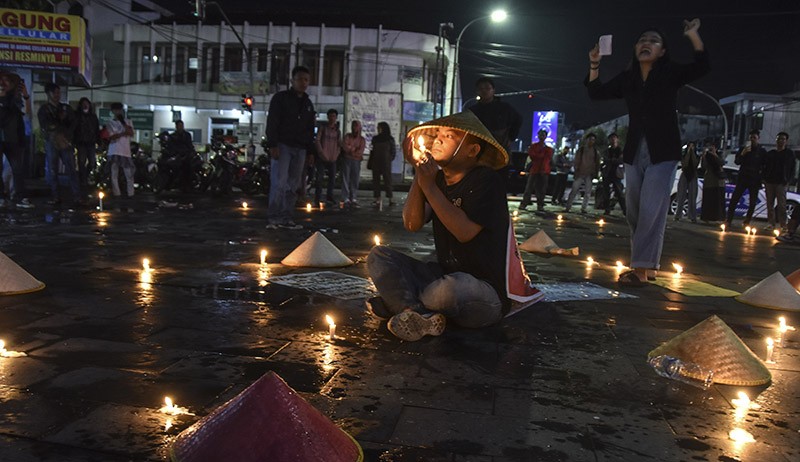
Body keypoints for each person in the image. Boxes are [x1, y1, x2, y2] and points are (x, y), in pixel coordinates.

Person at [366, 111, 542, 342]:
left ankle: (401, 303)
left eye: (448, 136)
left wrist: (429, 186)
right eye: (437, 134)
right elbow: (412, 223)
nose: (437, 139)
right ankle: (413, 314)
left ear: (472, 151)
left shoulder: (486, 181)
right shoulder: (437, 180)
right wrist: (421, 177)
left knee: (448, 290)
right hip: (443, 274)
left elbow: (465, 232)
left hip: (481, 291)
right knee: (379, 256)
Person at [586, 19, 709, 286]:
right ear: (635, 48)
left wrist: (693, 35)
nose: (646, 44)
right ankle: (649, 265)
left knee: (651, 209)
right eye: (642, 40)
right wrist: (595, 63)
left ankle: (640, 269)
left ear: (662, 51)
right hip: (634, 150)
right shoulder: (629, 78)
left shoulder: (670, 73)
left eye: (653, 41)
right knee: (635, 212)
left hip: (663, 150)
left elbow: (702, 66)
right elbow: (596, 92)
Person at [265, 65, 316, 230]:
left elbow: (310, 128)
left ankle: (287, 217)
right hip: (283, 145)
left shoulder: (307, 104)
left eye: (306, 80)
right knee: (279, 182)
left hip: (300, 148)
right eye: (300, 79)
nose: (303, 83)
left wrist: (310, 151)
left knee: (293, 185)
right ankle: (274, 217)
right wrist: (272, 144)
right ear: (292, 80)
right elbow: (272, 121)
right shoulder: (281, 99)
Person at [468, 77, 522, 191]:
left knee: (499, 186)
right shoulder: (472, 111)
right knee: (478, 187)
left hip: (500, 153)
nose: (484, 91)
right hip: (479, 155)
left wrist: (511, 137)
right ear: (477, 91)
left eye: (487, 88)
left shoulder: (505, 108)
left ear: (493, 90)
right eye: (481, 88)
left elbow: (518, 120)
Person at [38, 82, 81, 206]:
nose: (57, 95)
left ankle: (77, 196)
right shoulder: (44, 109)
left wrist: (67, 135)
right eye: (55, 92)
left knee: (71, 168)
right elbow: (45, 125)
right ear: (48, 94)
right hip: (52, 141)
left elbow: (73, 123)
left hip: (66, 141)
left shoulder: (65, 108)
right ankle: (55, 196)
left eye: (59, 92)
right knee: (53, 169)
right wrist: (58, 123)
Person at [0, 71, 34, 209]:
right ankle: (2, 197)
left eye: (6, 81)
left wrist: (26, 95)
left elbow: (26, 112)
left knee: (17, 169)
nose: (3, 84)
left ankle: (20, 197)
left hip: (13, 139)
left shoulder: (14, 100)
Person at [725, 130, 766, 228]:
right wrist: (743, 153)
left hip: (754, 179)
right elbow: (737, 162)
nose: (752, 140)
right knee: (734, 199)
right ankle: (729, 220)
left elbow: (765, 165)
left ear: (758, 138)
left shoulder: (762, 151)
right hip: (743, 178)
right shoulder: (744, 149)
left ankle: (747, 221)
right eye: (751, 138)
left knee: (752, 202)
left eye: (754, 138)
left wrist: (762, 177)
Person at [761, 131, 795, 232]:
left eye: (783, 139)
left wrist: (789, 180)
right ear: (776, 140)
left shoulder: (789, 154)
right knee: (769, 204)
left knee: (782, 204)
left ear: (786, 141)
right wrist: (764, 178)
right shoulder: (771, 153)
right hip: (770, 181)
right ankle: (771, 223)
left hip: (782, 182)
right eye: (779, 139)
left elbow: (792, 168)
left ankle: (783, 224)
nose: (781, 141)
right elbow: (764, 166)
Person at [105, 102, 135, 200]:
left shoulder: (128, 121)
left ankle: (131, 194)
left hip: (125, 151)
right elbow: (111, 137)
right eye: (116, 110)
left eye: (120, 110)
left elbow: (131, 133)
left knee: (129, 173)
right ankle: (117, 194)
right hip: (114, 150)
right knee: (114, 173)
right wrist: (123, 133)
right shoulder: (110, 123)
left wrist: (124, 124)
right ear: (112, 111)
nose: (118, 112)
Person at [564, 133, 600, 214]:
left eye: (593, 140)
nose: (591, 141)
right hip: (580, 173)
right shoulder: (581, 150)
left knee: (587, 193)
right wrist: (576, 171)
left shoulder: (595, 151)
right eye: (590, 139)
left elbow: (597, 163)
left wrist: (595, 173)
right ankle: (568, 207)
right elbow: (576, 161)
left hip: (589, 174)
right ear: (586, 140)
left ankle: (583, 208)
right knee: (574, 190)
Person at [518, 128, 553, 211]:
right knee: (529, 188)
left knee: (541, 189)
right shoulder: (534, 147)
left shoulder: (548, 149)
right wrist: (541, 155)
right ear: (538, 136)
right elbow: (533, 156)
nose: (542, 136)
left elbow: (546, 159)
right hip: (535, 170)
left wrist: (539, 155)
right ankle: (524, 203)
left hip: (543, 170)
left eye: (543, 135)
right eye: (540, 135)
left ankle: (540, 205)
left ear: (546, 137)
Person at [313, 108, 341, 207]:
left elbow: (339, 144)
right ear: (328, 117)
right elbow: (317, 141)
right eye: (330, 116)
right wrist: (321, 153)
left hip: (332, 158)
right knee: (319, 178)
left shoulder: (337, 131)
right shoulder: (323, 128)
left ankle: (330, 196)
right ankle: (318, 197)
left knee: (332, 178)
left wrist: (336, 155)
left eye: (334, 116)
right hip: (322, 157)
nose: (332, 118)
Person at [73, 97, 99, 198]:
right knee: (81, 162)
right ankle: (83, 180)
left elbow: (96, 129)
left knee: (92, 162)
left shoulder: (92, 117)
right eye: (83, 103)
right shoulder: (77, 116)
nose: (85, 105)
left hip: (91, 142)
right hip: (81, 142)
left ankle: (85, 177)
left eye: (87, 103)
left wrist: (98, 140)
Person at [368, 121, 396, 206]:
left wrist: (389, 159)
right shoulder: (375, 138)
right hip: (377, 161)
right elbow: (372, 150)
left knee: (387, 180)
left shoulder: (389, 139)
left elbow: (393, 151)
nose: (378, 129)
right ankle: (377, 198)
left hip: (385, 162)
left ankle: (390, 198)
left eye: (379, 128)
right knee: (376, 180)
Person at [699, 139, 726, 222]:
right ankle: (707, 217)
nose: (710, 149)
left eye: (712, 147)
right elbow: (704, 166)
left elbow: (721, 163)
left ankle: (718, 217)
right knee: (708, 200)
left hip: (718, 182)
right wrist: (703, 156)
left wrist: (715, 155)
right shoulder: (706, 156)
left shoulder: (718, 155)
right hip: (709, 181)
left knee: (718, 201)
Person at [600, 132, 626, 215]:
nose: (613, 140)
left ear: (617, 140)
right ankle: (607, 209)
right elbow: (605, 159)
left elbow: (621, 160)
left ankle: (625, 210)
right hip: (607, 173)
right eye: (611, 138)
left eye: (614, 138)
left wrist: (612, 160)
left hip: (617, 173)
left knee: (619, 193)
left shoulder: (620, 150)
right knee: (606, 192)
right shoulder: (607, 151)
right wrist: (613, 160)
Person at [341, 119, 365, 207]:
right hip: (347, 159)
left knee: (355, 178)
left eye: (356, 126)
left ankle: (353, 196)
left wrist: (351, 149)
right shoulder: (347, 136)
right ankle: (345, 197)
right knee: (345, 177)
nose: (355, 128)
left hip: (356, 160)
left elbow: (360, 150)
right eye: (353, 126)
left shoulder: (362, 139)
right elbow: (344, 146)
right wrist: (353, 149)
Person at [674, 141, 699, 222]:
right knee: (681, 196)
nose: (691, 148)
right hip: (684, 174)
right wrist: (688, 153)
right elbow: (685, 164)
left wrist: (692, 154)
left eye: (693, 146)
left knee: (692, 196)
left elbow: (695, 163)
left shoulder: (697, 156)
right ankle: (678, 215)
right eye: (690, 146)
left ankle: (692, 216)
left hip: (693, 175)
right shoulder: (684, 155)